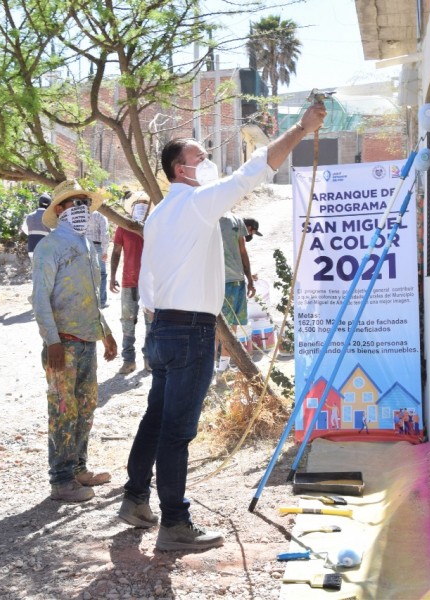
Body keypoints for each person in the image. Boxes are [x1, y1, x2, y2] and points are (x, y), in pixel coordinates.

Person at [119, 102, 327, 551]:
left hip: (162, 329)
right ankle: (174, 524)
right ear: (181, 169)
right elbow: (253, 172)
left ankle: (135, 498)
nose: (207, 160)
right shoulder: (194, 203)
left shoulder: (157, 216)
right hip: (189, 331)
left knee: (157, 419)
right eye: (199, 156)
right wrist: (300, 129)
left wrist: (165, 322)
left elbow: (150, 285)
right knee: (177, 430)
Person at [32, 180, 118, 503]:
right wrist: (51, 341)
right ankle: (61, 479)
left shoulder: (87, 246)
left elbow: (92, 299)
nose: (81, 208)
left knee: (85, 406)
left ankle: (79, 467)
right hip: (63, 345)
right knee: (63, 410)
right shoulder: (49, 247)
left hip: (87, 342)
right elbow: (40, 299)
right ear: (59, 210)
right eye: (73, 203)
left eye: (84, 201)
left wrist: (105, 331)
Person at [109, 191, 152, 375]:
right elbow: (117, 252)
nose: (141, 206)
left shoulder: (153, 225)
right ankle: (128, 360)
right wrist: (112, 276)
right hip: (129, 282)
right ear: (132, 207)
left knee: (151, 321)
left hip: (150, 283)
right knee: (127, 321)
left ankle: (149, 359)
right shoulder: (123, 227)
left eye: (145, 203)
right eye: (138, 203)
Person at [216, 211, 255, 372]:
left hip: (232, 281)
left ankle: (220, 369)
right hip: (227, 282)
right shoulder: (215, 218)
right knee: (225, 328)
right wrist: (249, 280)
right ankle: (219, 369)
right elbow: (242, 251)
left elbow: (242, 251)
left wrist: (250, 279)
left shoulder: (235, 220)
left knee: (223, 328)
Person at [85, 207, 110, 308]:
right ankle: (102, 301)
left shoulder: (81, 216)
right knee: (102, 274)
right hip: (97, 247)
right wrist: (105, 251)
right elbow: (105, 234)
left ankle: (88, 302)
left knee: (87, 274)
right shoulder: (99, 216)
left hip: (83, 246)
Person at [21, 192, 52, 258]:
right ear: (49, 205)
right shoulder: (50, 217)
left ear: (39, 203)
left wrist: (33, 234)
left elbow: (24, 229)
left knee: (35, 268)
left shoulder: (29, 216)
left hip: (32, 249)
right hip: (45, 250)